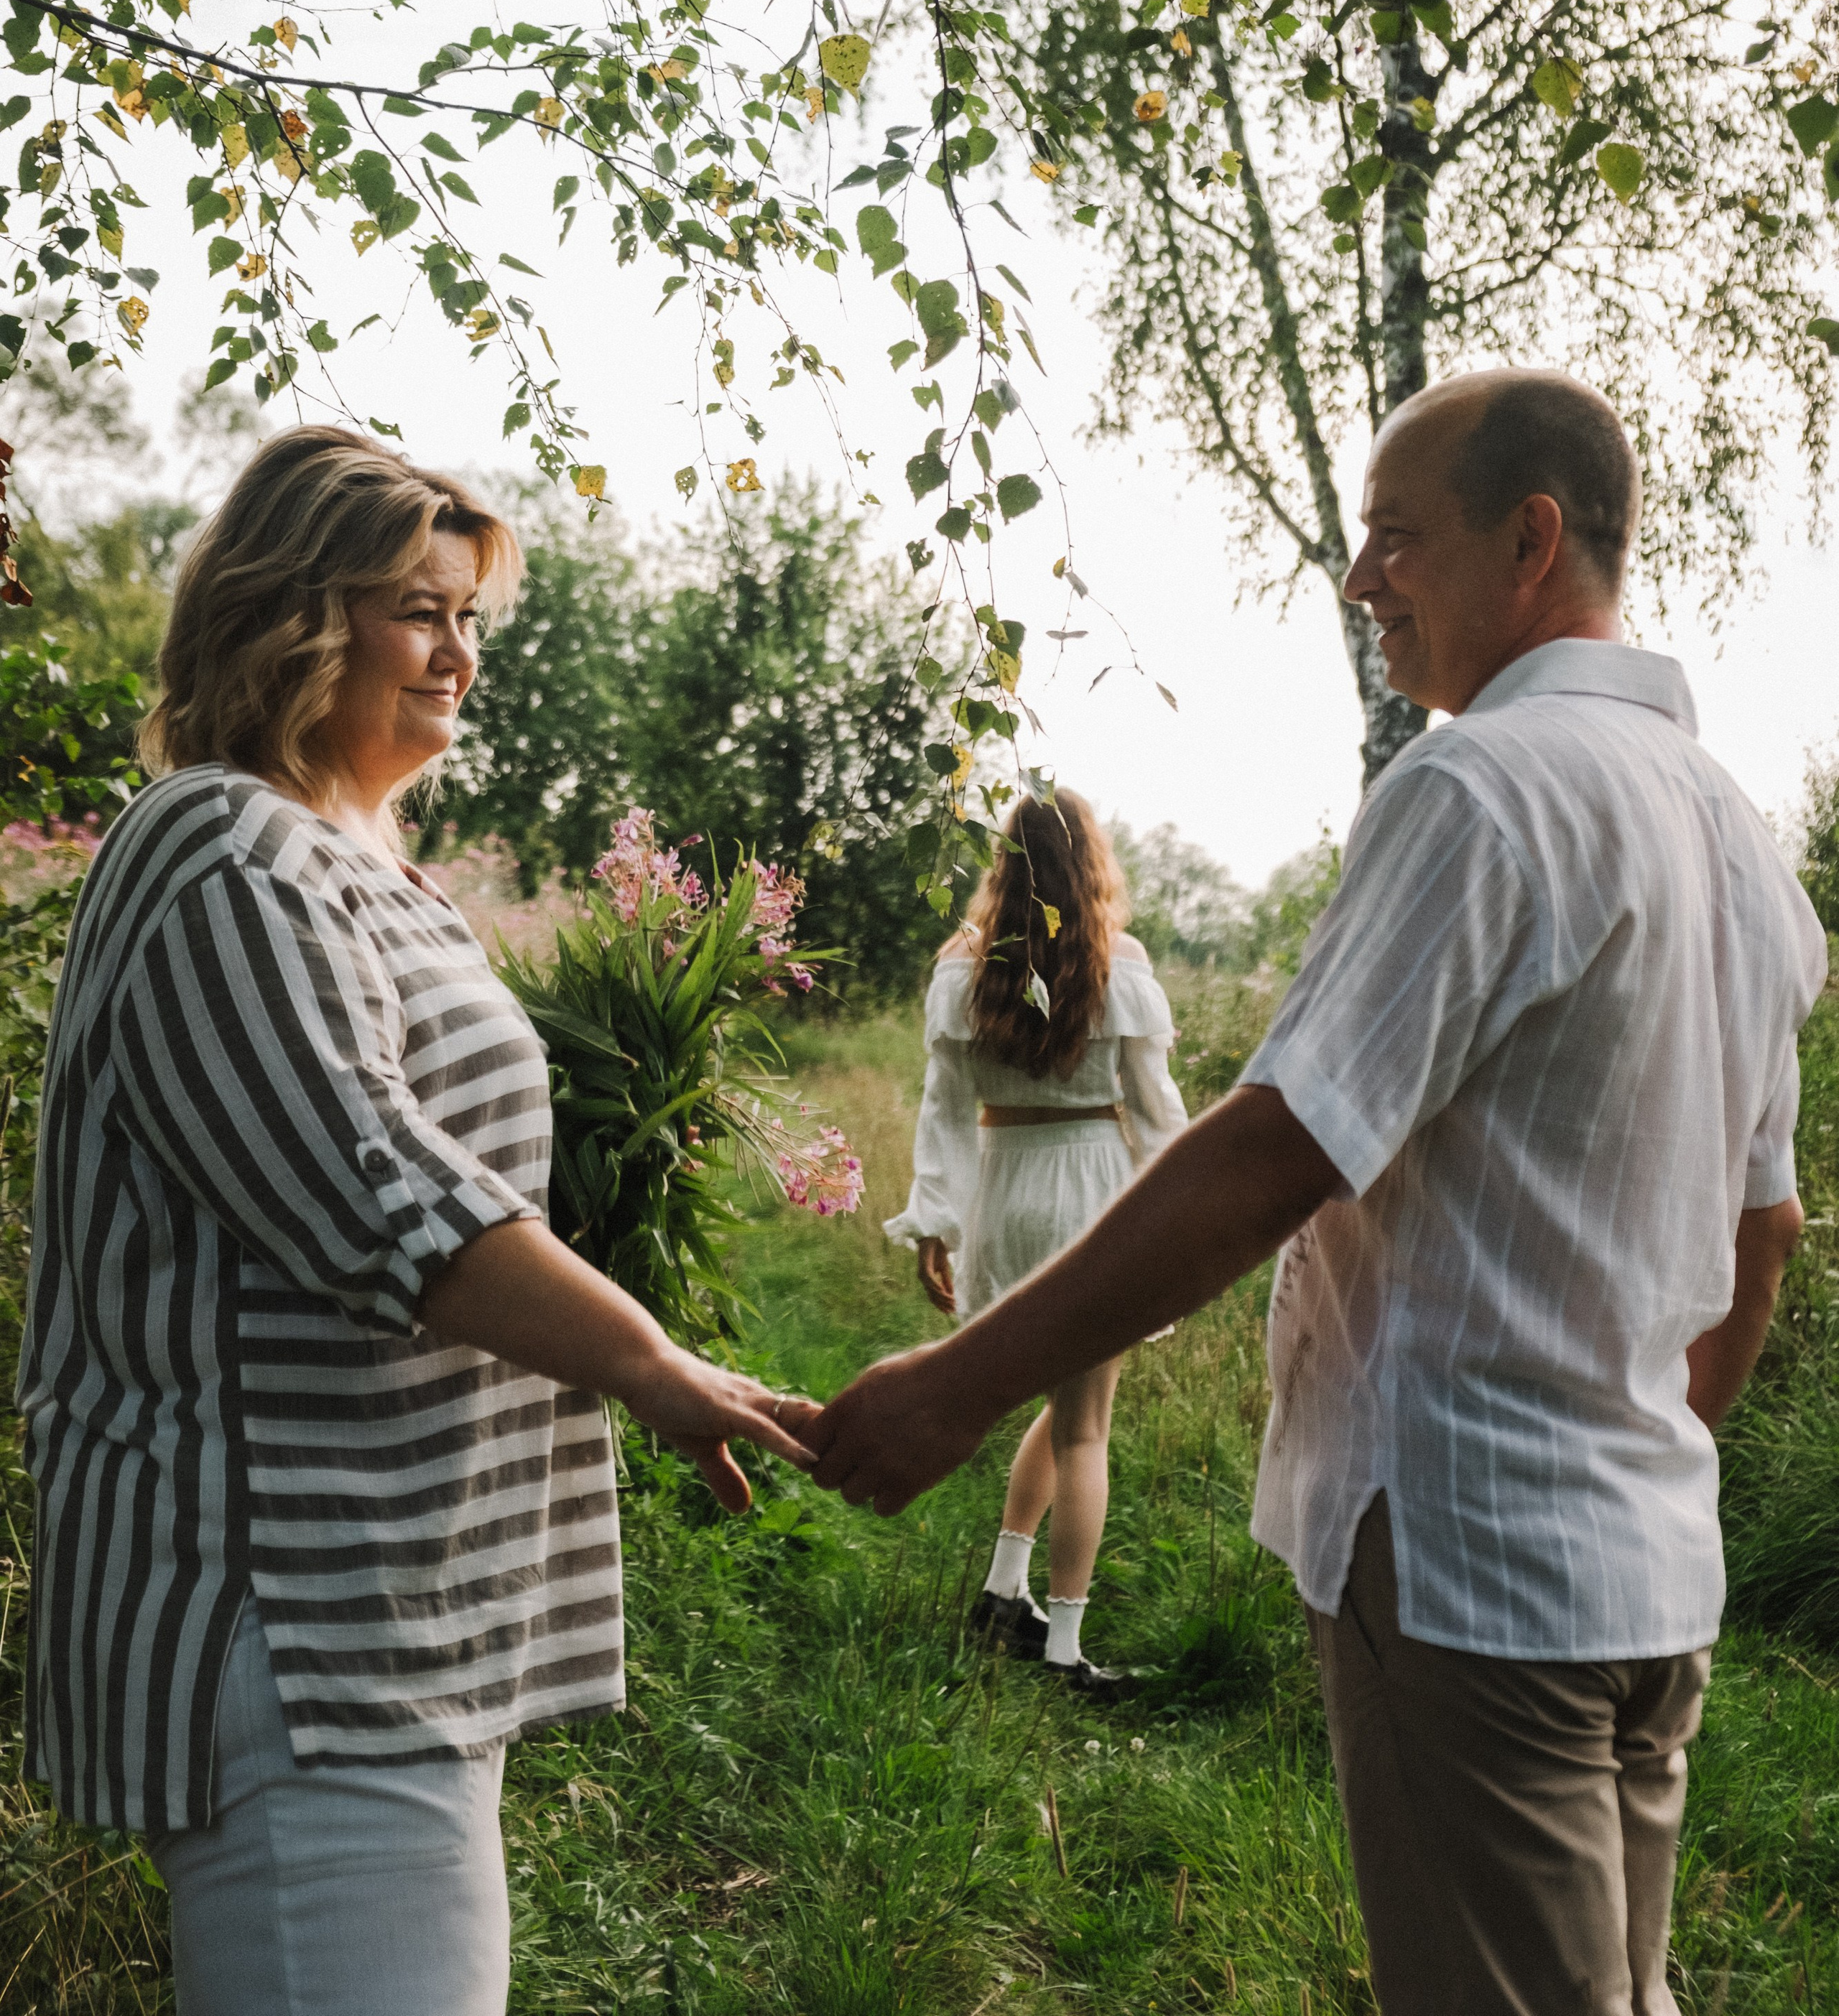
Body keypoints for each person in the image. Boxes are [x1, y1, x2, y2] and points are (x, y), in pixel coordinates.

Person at [810, 368, 1826, 2016]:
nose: (1359, 579)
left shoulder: (1475, 787)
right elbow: (1759, 1230)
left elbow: (1277, 1146)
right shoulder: (1738, 839)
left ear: (1529, 538)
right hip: (1647, 1570)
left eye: (1390, 536)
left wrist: (953, 1383)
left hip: (1469, 1562)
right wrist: (1643, 1454)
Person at [17, 427, 816, 2016]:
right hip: (302, 1635)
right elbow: (379, 1196)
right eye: (417, 609)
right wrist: (655, 1367)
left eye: (470, 618)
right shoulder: (220, 849)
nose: (458, 654)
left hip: (396, 1618)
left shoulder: (357, 856)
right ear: (293, 615)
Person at [884, 791, 1187, 1689]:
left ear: (1002, 865)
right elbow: (1159, 1115)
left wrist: (934, 1222)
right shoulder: (1117, 963)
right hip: (1092, 1189)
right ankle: (1062, 1653)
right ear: (1090, 865)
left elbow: (941, 1114)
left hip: (1002, 1187)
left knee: (1061, 1407)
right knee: (1086, 1427)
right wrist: (1175, 1224)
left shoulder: (959, 970)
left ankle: (1004, 1592)